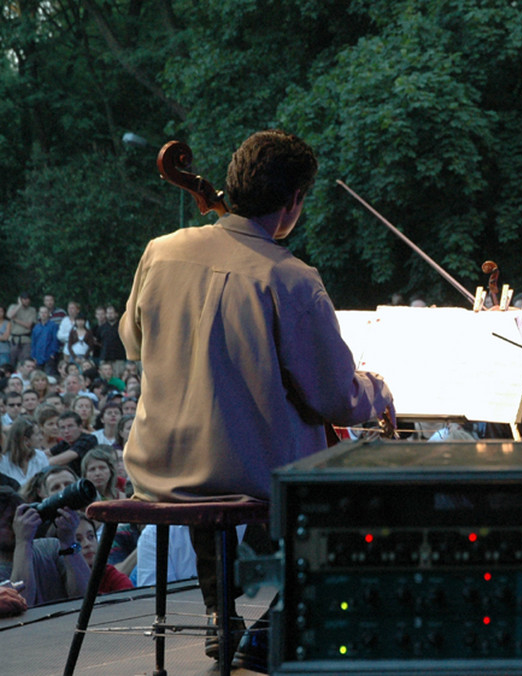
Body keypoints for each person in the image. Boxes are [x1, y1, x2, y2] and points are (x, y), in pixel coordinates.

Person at [119, 129, 393, 669]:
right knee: (344, 482)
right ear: (292, 202)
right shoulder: (290, 279)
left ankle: (223, 616)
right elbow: (336, 398)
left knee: (217, 466)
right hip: (248, 472)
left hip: (158, 466)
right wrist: (378, 391)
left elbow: (132, 341)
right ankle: (270, 626)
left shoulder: (160, 252)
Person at [0, 419, 50, 488]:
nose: (41, 438)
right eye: (37, 434)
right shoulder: (4, 461)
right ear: (26, 440)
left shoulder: (40, 456)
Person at [6, 294, 36, 365]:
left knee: (24, 361)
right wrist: (19, 305)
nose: (26, 301)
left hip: (26, 339)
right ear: (20, 299)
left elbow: (28, 325)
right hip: (14, 339)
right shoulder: (13, 307)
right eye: (24, 299)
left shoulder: (32, 310)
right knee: (12, 360)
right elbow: (9, 315)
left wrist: (15, 320)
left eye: (28, 299)